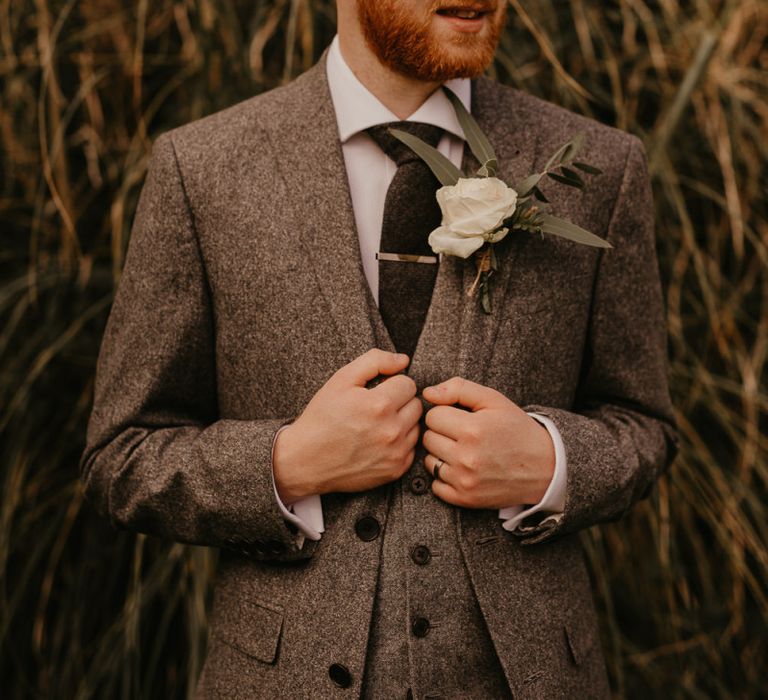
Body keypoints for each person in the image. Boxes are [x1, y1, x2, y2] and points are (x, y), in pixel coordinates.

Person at [80, 0, 678, 697]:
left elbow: (644, 423)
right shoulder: (204, 168)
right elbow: (121, 456)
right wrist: (286, 465)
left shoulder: (597, 166)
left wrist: (551, 464)